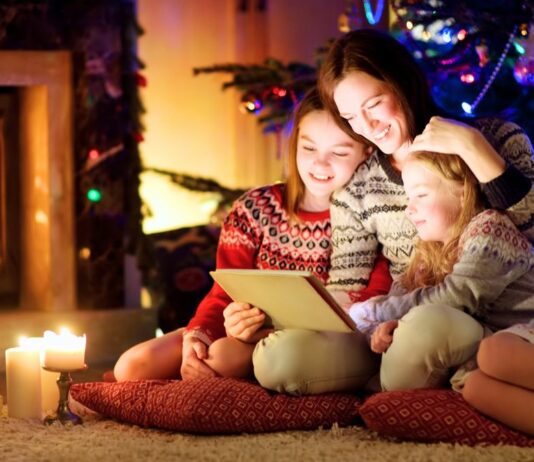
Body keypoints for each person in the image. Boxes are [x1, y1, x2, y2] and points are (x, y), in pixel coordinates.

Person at [251, 28, 534, 394]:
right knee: (281, 359)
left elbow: (526, 233)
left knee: (425, 328)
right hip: (395, 325)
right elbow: (349, 291)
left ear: (401, 84)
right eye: (350, 117)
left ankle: (410, 384)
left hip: (477, 324)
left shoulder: (497, 138)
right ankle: (399, 380)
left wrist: (472, 147)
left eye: (373, 105)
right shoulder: (358, 186)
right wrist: (271, 316)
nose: (367, 127)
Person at [113, 88, 392, 382]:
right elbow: (224, 290)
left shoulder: (370, 218)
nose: (319, 164)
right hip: (242, 329)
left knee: (219, 360)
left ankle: (213, 388)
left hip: (310, 342)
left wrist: (269, 331)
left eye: (338, 152)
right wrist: (199, 336)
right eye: (309, 149)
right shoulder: (255, 208)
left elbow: (370, 303)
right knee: (131, 367)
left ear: (366, 153)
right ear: (295, 144)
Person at [349, 151, 534, 435]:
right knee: (475, 388)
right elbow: (401, 301)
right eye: (408, 198)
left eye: (420, 196)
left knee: (491, 354)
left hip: (516, 337)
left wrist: (372, 311)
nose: (409, 209)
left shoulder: (491, 228)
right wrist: (383, 325)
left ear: (462, 193)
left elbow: (458, 296)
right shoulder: (429, 248)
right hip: (486, 348)